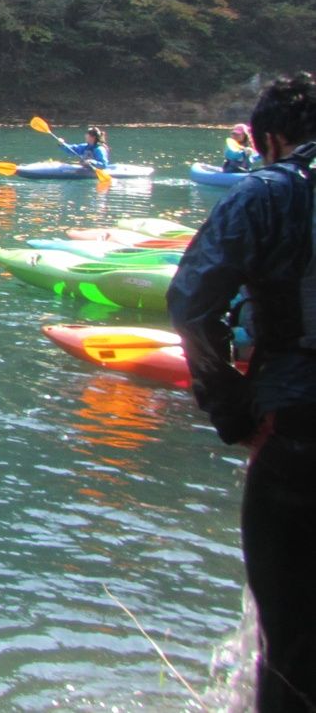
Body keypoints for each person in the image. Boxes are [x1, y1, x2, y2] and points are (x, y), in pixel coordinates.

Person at [167, 72, 316, 712]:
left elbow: (192, 303)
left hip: (298, 428)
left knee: (292, 643)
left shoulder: (269, 192)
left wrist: (233, 410)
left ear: (270, 141)